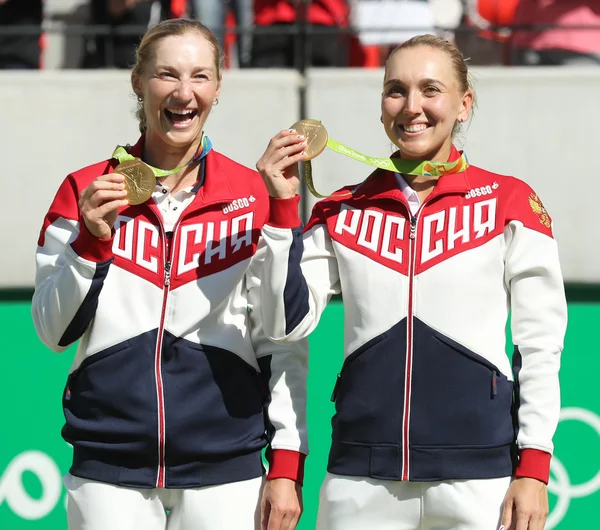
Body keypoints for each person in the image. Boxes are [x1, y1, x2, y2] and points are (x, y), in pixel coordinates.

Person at [255, 34, 567, 530]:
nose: (412, 106)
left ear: (464, 105)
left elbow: (540, 347)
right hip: (360, 479)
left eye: (431, 89)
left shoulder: (510, 203)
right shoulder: (339, 209)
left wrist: (534, 467)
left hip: (479, 478)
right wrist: (282, 210)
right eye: (396, 90)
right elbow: (283, 325)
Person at [32, 18, 306, 530]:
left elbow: (282, 340)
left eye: (200, 76)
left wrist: (287, 464)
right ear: (139, 82)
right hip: (108, 468)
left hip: (227, 468)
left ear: (218, 88)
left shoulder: (253, 195)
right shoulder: (87, 190)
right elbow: (52, 331)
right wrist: (91, 241)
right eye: (167, 75)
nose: (184, 93)